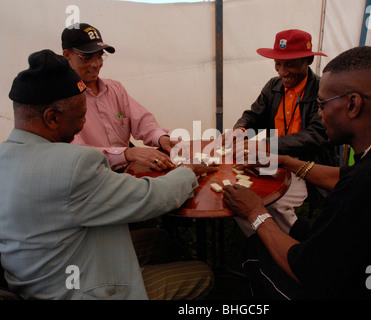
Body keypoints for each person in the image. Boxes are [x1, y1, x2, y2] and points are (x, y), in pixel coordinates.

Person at [223, 46, 371, 299]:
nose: (319, 113)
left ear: (352, 104)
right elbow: (344, 176)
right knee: (294, 230)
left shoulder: (369, 185)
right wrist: (284, 160)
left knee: (258, 247)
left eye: (321, 105)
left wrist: (256, 212)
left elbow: (307, 271)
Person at [0, 49, 216, 300]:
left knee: (159, 239)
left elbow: (143, 121)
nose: (83, 124)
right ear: (51, 118)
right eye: (80, 117)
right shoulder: (74, 165)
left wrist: (160, 138)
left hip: (33, 279)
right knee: (202, 274)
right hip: (76, 290)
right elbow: (151, 197)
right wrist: (188, 171)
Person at [221, 29, 338, 236]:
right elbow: (253, 115)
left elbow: (317, 136)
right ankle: (261, 241)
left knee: (274, 203)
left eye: (290, 63)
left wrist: (268, 146)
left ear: (308, 60)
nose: (282, 71)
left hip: (306, 168)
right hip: (273, 161)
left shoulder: (322, 89)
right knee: (240, 194)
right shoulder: (273, 86)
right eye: (278, 63)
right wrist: (239, 131)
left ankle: (291, 243)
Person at [61, 23, 175, 172]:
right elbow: (79, 154)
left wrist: (161, 138)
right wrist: (127, 153)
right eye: (87, 58)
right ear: (67, 56)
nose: (96, 65)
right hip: (94, 176)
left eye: (100, 57)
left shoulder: (115, 89)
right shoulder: (62, 101)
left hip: (128, 169)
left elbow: (142, 121)